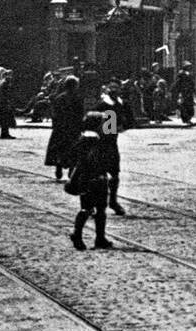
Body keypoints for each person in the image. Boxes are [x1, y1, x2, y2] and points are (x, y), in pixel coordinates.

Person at [66, 112, 113, 250]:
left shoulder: (84, 137)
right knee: (92, 209)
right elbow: (90, 160)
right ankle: (81, 235)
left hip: (89, 177)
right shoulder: (93, 139)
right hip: (93, 178)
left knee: (95, 209)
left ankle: (96, 237)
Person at [96, 79, 131, 215]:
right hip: (102, 143)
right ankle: (101, 202)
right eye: (112, 89)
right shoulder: (103, 105)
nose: (115, 92)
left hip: (111, 142)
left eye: (117, 89)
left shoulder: (121, 104)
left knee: (115, 174)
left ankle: (113, 201)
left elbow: (129, 122)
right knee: (100, 175)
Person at [45, 75, 82, 180]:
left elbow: (54, 114)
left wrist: (55, 126)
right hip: (73, 128)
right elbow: (79, 114)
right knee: (73, 149)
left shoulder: (59, 98)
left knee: (60, 149)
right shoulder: (77, 98)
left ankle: (59, 167)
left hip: (60, 128)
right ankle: (71, 169)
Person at [0, 66, 16, 139]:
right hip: (4, 104)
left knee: (5, 120)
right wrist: (8, 103)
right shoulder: (5, 83)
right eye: (9, 75)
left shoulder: (3, 82)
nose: (11, 77)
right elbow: (5, 95)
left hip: (3, 104)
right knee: (5, 120)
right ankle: (4, 134)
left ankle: (5, 133)